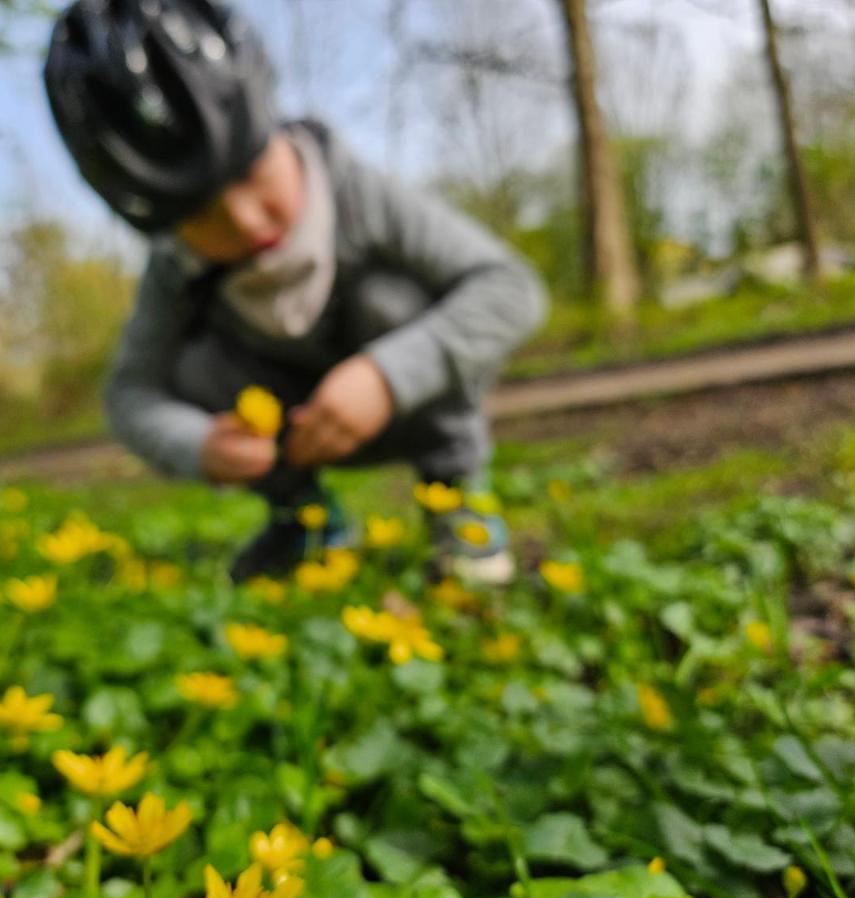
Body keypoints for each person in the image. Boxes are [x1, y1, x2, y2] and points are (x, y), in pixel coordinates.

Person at [44, 0, 545, 584]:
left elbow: (510, 288)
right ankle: (304, 517)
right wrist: (200, 444)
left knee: (396, 300)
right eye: (204, 215)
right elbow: (130, 393)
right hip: (287, 439)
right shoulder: (175, 267)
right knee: (188, 366)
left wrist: (385, 377)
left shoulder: (355, 193)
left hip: (405, 410)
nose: (249, 222)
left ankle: (456, 496)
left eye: (254, 175)